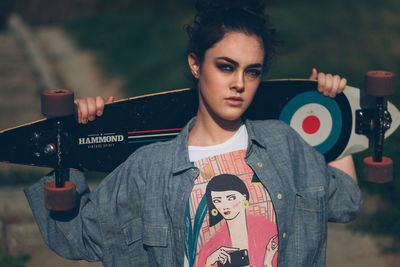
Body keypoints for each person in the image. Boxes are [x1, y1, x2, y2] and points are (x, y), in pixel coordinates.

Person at [25, 0, 363, 266]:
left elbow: (345, 201)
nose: (239, 84)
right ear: (195, 64)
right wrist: (72, 146)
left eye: (253, 71)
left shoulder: (283, 144)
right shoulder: (150, 167)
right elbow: (76, 236)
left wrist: (336, 113)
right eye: (226, 66)